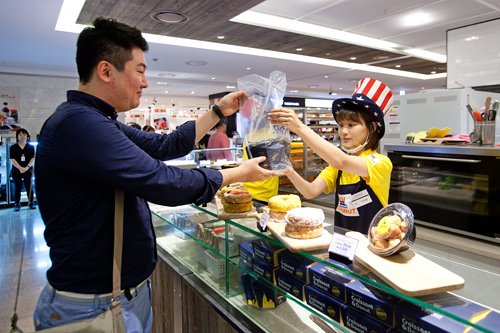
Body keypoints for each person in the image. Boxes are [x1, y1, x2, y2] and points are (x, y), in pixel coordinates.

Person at [33, 17, 274, 332]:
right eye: (140, 71)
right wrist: (236, 173)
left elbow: (165, 145)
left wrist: (218, 111)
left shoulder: (96, 121)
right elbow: (164, 183)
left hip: (117, 298)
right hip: (93, 308)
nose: (145, 83)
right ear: (106, 71)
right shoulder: (80, 125)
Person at [269, 78, 393, 234]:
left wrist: (300, 128)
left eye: (351, 125)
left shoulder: (380, 163)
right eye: (341, 125)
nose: (343, 131)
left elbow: (342, 161)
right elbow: (310, 191)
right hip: (343, 246)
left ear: (372, 127)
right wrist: (290, 172)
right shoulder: (337, 168)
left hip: (371, 247)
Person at [10, 128, 36, 211]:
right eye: (20, 134)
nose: (22, 136)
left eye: (24, 134)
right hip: (17, 170)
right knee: (17, 187)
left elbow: (32, 158)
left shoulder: (31, 147)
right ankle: (17, 203)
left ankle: (31, 202)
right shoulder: (13, 147)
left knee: (29, 186)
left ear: (27, 136)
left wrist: (27, 167)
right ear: (17, 136)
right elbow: (12, 159)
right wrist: (20, 168)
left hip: (27, 169)